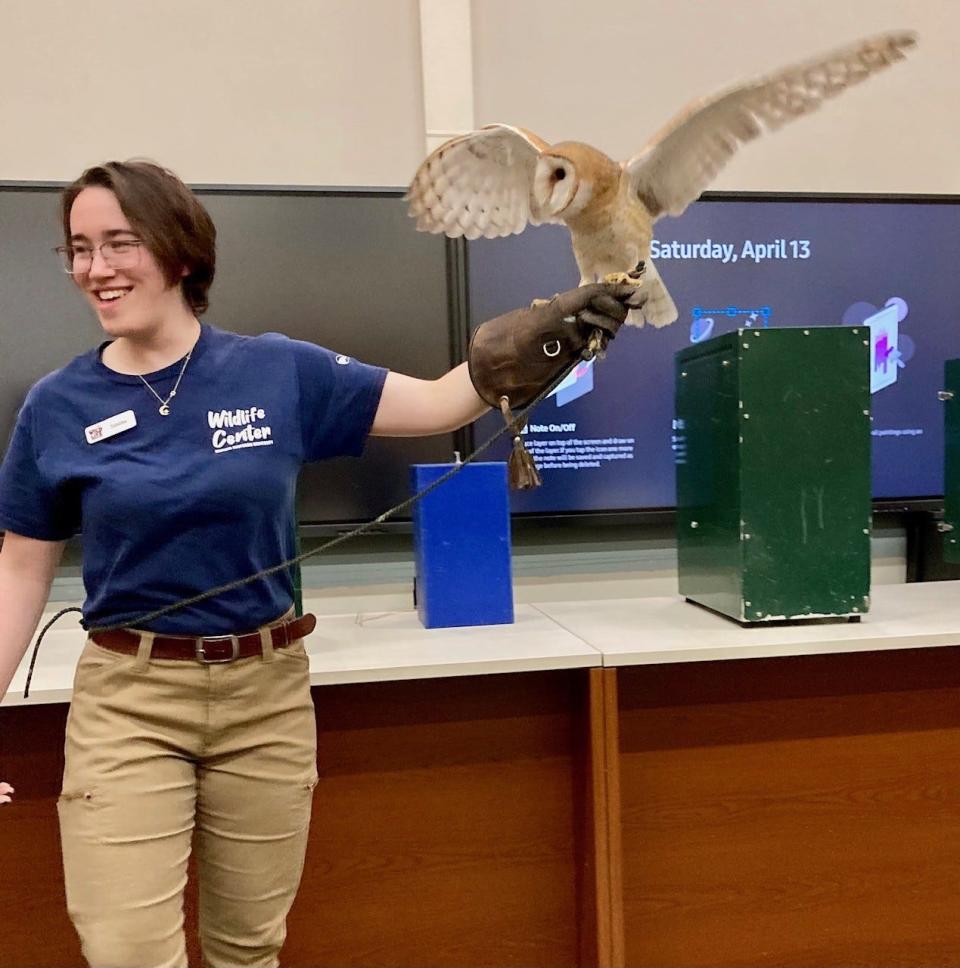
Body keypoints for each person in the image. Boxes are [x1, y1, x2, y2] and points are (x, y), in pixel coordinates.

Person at [0, 159, 640, 968]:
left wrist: (547, 341)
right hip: (130, 700)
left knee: (248, 949)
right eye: (80, 249)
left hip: (264, 697)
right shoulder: (57, 405)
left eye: (119, 243)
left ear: (181, 251)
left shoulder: (278, 371)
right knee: (126, 951)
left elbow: (440, 404)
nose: (96, 268)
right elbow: (20, 568)